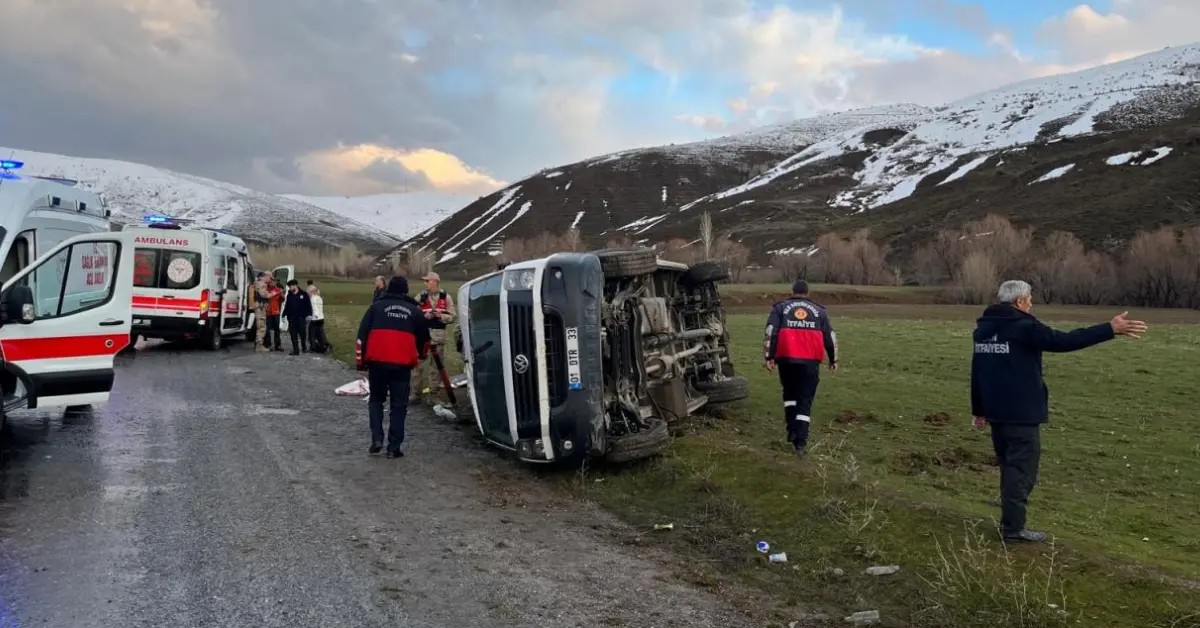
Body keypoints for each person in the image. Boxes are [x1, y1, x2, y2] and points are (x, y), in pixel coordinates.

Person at [971, 280, 1146, 543]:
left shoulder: (984, 328)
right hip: (1021, 414)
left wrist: (979, 409)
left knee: (1011, 470)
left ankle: (1011, 524)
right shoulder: (1024, 326)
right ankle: (1013, 530)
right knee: (1021, 474)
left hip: (996, 412)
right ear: (1020, 302)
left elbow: (978, 370)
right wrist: (1109, 329)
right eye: (1030, 298)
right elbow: (1063, 341)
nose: (1032, 303)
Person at [356, 276, 430, 458]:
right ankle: (393, 447)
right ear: (405, 290)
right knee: (398, 405)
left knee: (376, 400)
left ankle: (377, 439)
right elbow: (425, 340)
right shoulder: (414, 311)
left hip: (377, 362)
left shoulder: (375, 307)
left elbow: (361, 336)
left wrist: (360, 361)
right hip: (401, 365)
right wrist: (421, 354)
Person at [763, 280, 838, 458]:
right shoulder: (819, 311)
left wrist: (769, 357)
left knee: (789, 395)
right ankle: (800, 442)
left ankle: (791, 430)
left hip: (786, 360)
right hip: (810, 362)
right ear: (807, 293)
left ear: (793, 291)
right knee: (805, 399)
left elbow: (770, 331)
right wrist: (833, 359)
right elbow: (830, 336)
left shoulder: (780, 308)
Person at [412, 271, 457, 403]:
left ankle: (434, 395)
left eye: (428, 281)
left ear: (435, 282)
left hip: (438, 337)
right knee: (416, 366)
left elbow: (453, 317)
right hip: (421, 336)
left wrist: (440, 316)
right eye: (425, 281)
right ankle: (416, 394)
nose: (425, 283)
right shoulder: (420, 296)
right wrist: (422, 316)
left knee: (436, 368)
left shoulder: (446, 297)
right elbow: (412, 312)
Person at [282, 279, 313, 355]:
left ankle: (304, 347)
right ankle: (296, 350)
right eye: (289, 287)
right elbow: (287, 305)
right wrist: (283, 314)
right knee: (293, 334)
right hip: (292, 318)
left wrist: (309, 314)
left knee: (302, 333)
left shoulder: (304, 294)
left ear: (295, 285)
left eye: (291, 286)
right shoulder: (289, 295)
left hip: (301, 317)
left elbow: (308, 305)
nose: (290, 288)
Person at [264, 275, 285, 352]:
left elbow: (282, 300)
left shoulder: (277, 289)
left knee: (277, 329)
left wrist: (281, 294)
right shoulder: (266, 289)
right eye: (271, 281)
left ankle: (278, 345)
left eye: (274, 281)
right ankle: (268, 345)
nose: (273, 282)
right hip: (268, 312)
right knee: (267, 329)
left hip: (276, 312)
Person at [253, 272, 272, 353]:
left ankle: (258, 345)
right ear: (266, 276)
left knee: (260, 326)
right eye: (270, 278)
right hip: (260, 308)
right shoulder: (262, 284)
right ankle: (259, 346)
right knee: (261, 326)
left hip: (259, 306)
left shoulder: (257, 283)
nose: (270, 280)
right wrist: (271, 294)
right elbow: (264, 295)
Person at [307, 285, 329, 353]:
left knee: (312, 334)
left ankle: (313, 347)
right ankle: (324, 345)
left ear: (311, 292)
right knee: (320, 333)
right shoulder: (319, 298)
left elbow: (314, 308)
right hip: (321, 318)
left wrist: (314, 316)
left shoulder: (313, 299)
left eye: (308, 292)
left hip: (315, 319)